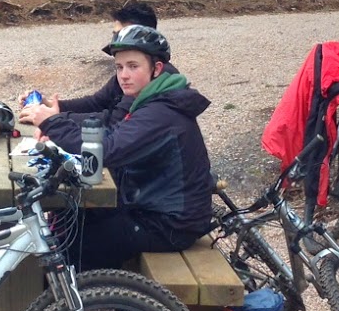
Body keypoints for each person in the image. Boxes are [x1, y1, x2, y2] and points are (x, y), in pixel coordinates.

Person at [33, 24, 214, 269]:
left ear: (156, 69)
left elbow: (105, 150)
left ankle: (103, 301)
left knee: (71, 246)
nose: (123, 75)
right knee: (73, 218)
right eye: (119, 67)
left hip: (170, 223)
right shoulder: (153, 99)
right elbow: (110, 127)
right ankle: (104, 294)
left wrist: (52, 122)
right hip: (150, 206)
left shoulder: (161, 112)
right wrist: (59, 121)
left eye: (133, 66)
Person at [19, 0, 174, 120]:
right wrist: (49, 104)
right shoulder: (130, 72)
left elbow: (114, 122)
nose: (115, 41)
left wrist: (54, 119)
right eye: (114, 34)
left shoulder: (155, 79)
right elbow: (96, 103)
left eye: (121, 34)